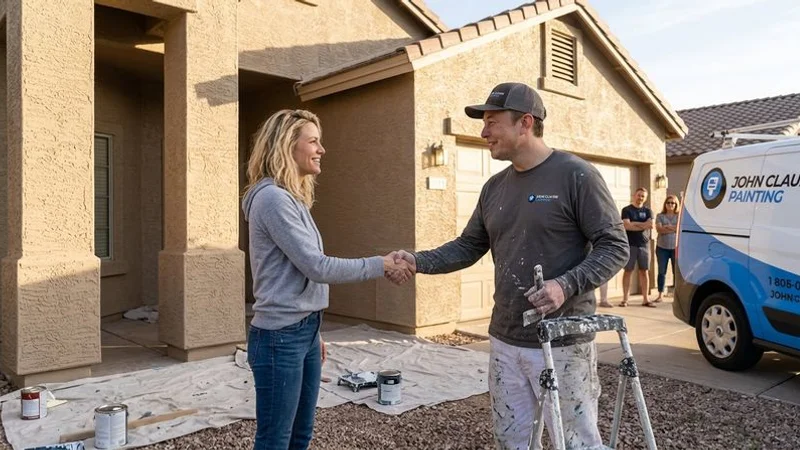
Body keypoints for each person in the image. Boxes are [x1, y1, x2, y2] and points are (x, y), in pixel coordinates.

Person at [390, 83, 629, 450]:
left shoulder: (575, 176)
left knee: (576, 443)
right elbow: (469, 246)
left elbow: (615, 247)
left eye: (492, 121)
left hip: (562, 342)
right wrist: (417, 261)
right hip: (505, 340)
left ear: (525, 123)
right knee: (511, 440)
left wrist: (564, 285)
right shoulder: (493, 188)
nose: (484, 132)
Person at [241, 109, 412, 450]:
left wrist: (313, 328)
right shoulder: (273, 199)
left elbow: (301, 274)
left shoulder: (293, 199)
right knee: (275, 440)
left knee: (300, 436)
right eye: (314, 141)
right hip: (280, 339)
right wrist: (381, 264)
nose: (322, 150)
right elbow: (317, 267)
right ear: (288, 145)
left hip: (302, 332)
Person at [620, 188, 655, 307]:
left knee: (644, 272)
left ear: (645, 198)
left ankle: (645, 299)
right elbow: (626, 226)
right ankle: (625, 299)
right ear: (634, 195)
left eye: (643, 196)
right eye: (639, 195)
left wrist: (634, 223)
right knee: (628, 271)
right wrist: (642, 225)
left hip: (644, 245)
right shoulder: (626, 210)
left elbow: (650, 225)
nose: (640, 198)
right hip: (630, 245)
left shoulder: (648, 211)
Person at [654, 195, 680, 302]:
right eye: (668, 202)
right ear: (665, 204)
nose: (670, 205)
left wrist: (667, 227)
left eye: (673, 203)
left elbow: (679, 229)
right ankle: (660, 294)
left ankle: (675, 295)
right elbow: (659, 229)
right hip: (662, 248)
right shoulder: (660, 216)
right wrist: (672, 228)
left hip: (675, 248)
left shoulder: (679, 216)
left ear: (676, 204)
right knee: (661, 271)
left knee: (676, 272)